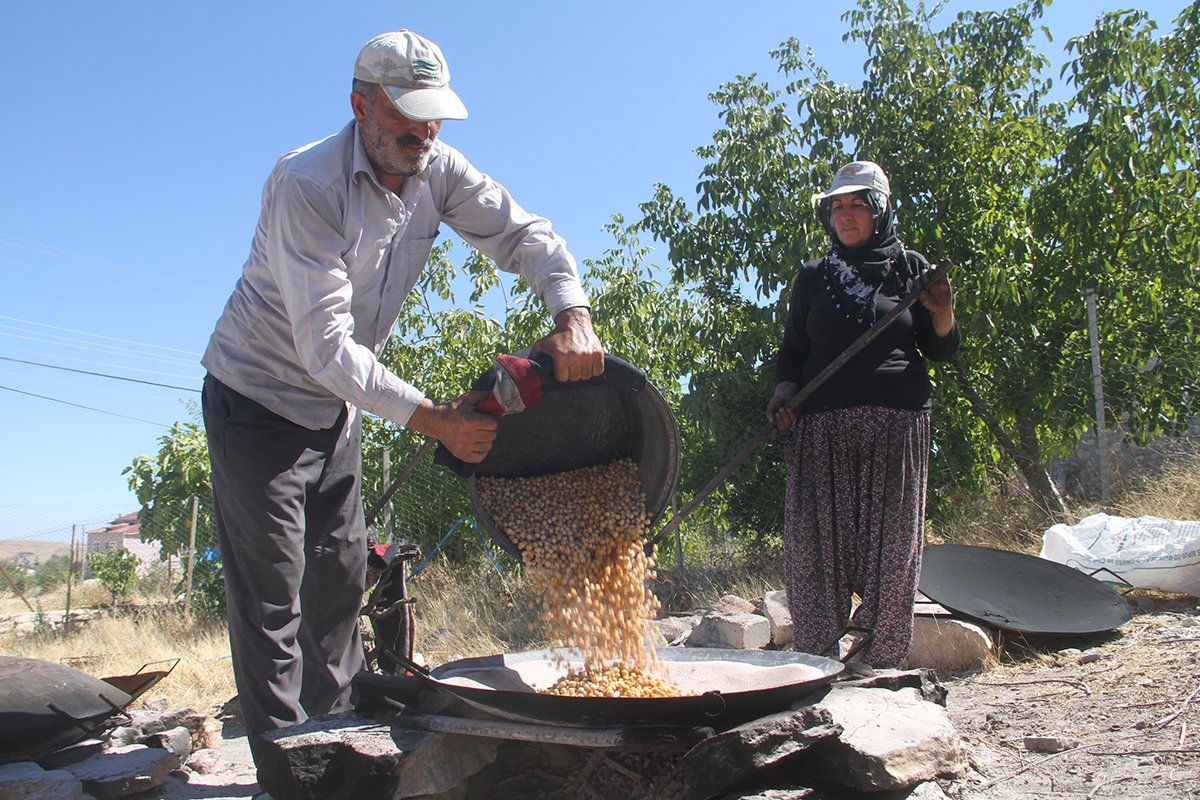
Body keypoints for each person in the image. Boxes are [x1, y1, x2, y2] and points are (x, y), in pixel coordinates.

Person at [200, 30, 604, 753]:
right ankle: (289, 766)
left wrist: (571, 313)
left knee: (340, 576)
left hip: (334, 410)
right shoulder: (307, 186)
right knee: (272, 597)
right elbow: (323, 346)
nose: (424, 133)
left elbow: (525, 234)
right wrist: (434, 420)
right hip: (256, 401)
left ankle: (344, 738)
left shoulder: (437, 168)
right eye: (407, 117)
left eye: (434, 119)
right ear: (360, 106)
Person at [766, 160, 958, 668]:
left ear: (881, 209)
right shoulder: (813, 276)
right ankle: (818, 662)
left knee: (890, 551)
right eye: (837, 206)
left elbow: (940, 351)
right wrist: (784, 394)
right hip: (821, 427)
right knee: (815, 552)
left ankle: (875, 663)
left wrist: (940, 311)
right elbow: (792, 351)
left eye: (856, 204)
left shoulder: (912, 270)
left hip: (894, 426)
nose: (845, 215)